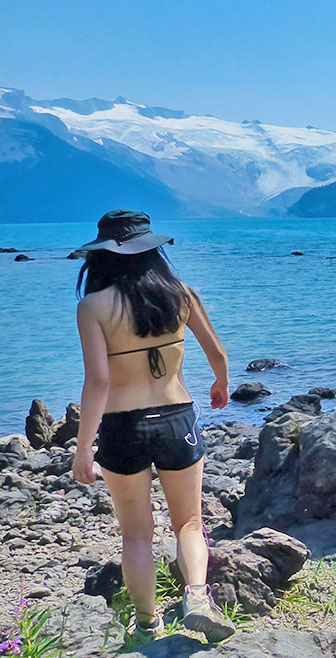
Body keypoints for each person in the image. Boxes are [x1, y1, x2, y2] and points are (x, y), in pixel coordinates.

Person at [70, 210, 235, 643]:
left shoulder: (93, 307)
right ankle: (197, 597)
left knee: (137, 535)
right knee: (190, 523)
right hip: (176, 417)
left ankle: (147, 624)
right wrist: (220, 384)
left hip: (122, 428)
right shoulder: (182, 294)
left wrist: (84, 446)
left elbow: (99, 381)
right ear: (153, 251)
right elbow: (217, 354)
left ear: (101, 257)